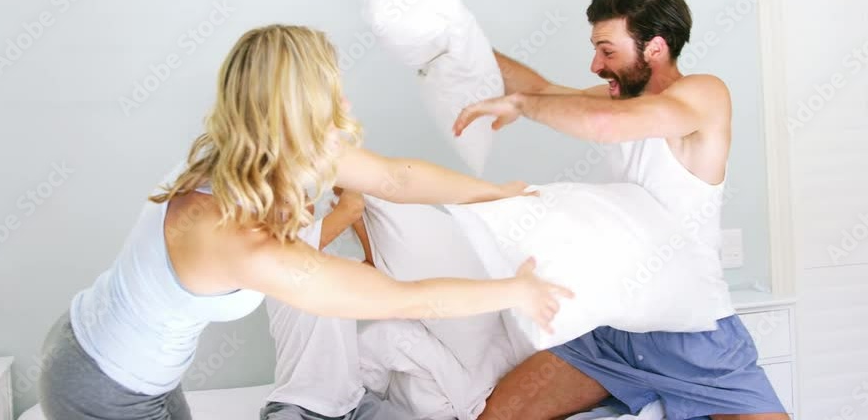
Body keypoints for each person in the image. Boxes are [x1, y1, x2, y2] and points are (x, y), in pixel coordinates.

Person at [36, 24, 573, 420]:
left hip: (106, 347)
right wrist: (515, 291)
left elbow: (394, 178)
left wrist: (494, 194)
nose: (345, 100)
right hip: (103, 388)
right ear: (300, 109)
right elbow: (402, 299)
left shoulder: (246, 148)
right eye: (332, 91)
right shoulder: (240, 241)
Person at [454, 0, 788, 420]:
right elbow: (542, 89)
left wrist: (522, 105)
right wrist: (459, 40)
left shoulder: (704, 95)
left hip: (693, 339)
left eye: (607, 51)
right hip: (614, 331)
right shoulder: (618, 100)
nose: (595, 65)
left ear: (655, 48)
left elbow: (603, 125)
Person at [261, 187, 405, 420]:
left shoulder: (334, 266)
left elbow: (373, 271)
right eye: (285, 200)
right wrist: (346, 180)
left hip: (354, 403)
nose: (298, 205)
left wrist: (358, 221)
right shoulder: (281, 253)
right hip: (296, 405)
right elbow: (352, 206)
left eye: (304, 197)